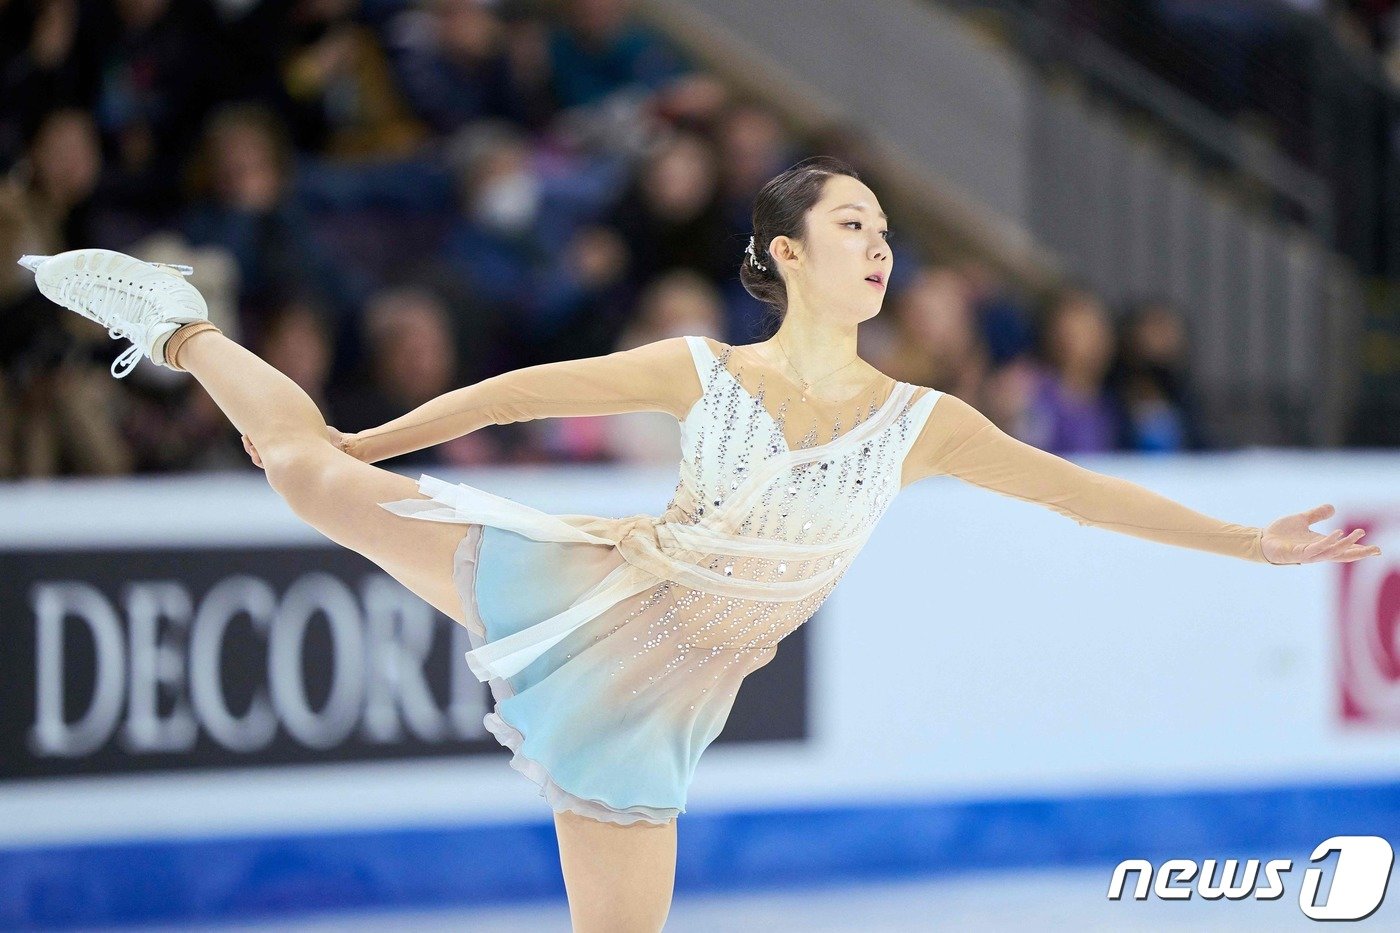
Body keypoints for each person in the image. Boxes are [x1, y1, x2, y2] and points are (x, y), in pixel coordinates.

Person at [17, 156, 1381, 933]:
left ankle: (219, 357)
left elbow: (1080, 495)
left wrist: (1246, 544)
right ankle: (188, 326)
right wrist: (384, 443)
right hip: (582, 586)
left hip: (662, 708)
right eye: (855, 224)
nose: (881, 246)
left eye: (890, 233)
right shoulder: (700, 368)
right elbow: (521, 392)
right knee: (304, 465)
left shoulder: (925, 421)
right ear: (786, 252)